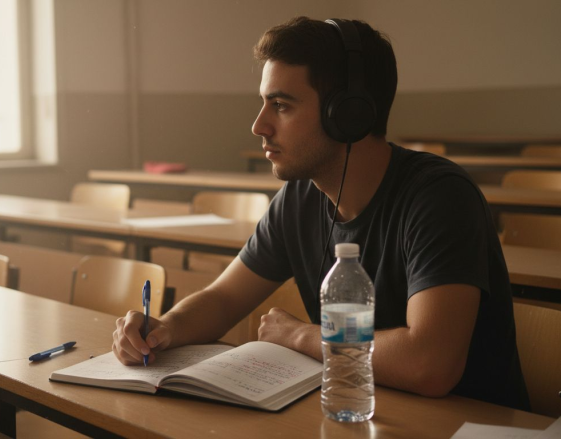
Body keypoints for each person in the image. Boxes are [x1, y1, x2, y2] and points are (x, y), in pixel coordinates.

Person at [112, 17, 529, 411]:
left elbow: (429, 365)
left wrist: (300, 335)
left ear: (348, 115)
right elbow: (223, 299)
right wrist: (164, 328)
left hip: (466, 424)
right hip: (360, 411)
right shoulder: (299, 198)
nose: (259, 126)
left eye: (281, 105)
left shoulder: (438, 197)